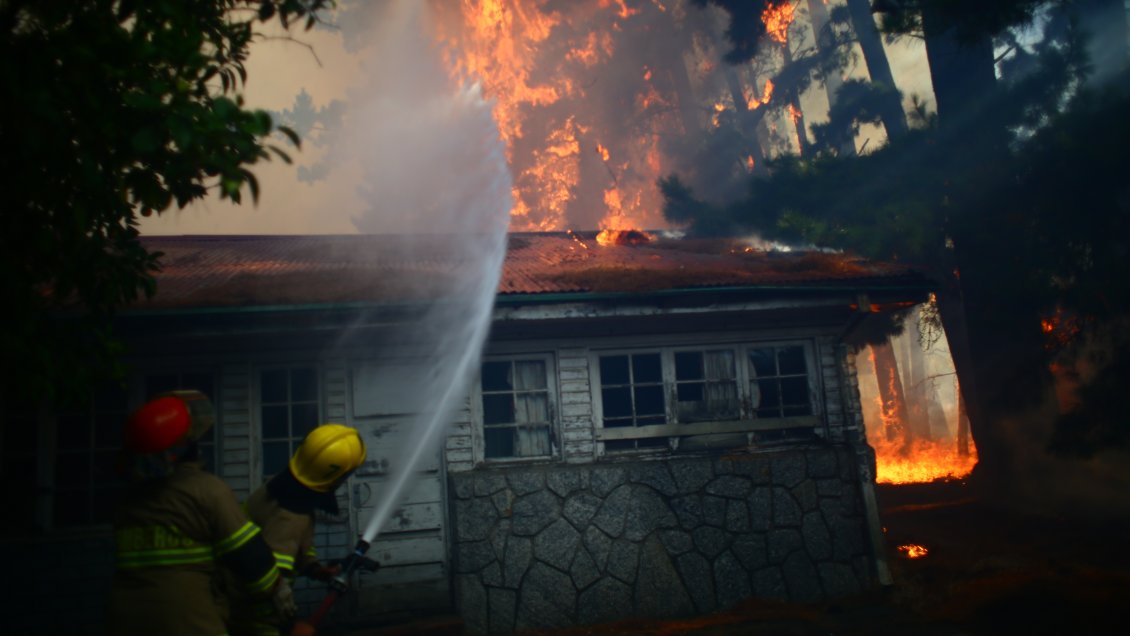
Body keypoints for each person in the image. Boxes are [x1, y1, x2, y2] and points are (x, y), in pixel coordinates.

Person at [105, 390, 295, 636]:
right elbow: (249, 556)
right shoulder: (206, 490)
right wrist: (278, 589)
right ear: (186, 447)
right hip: (186, 618)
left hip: (122, 620)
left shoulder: (127, 500)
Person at [226, 423, 367, 636]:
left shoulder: (278, 488)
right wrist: (291, 627)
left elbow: (290, 545)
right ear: (337, 478)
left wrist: (315, 569)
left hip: (232, 606)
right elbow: (269, 579)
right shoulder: (291, 517)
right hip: (256, 620)